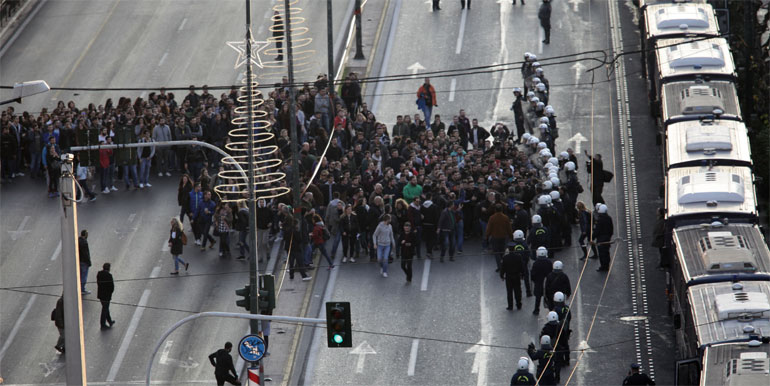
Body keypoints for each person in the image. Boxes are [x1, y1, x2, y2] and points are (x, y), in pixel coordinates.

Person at [486, 204, 512, 272]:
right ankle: (504, 265)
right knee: (503, 252)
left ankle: (499, 266)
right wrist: (511, 236)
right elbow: (509, 228)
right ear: (502, 209)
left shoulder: (492, 218)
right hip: (504, 237)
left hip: (495, 237)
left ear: (495, 210)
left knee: (497, 253)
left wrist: (487, 236)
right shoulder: (505, 217)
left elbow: (489, 228)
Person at [501, 242, 524, 310]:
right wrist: (522, 274)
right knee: (518, 291)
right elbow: (521, 267)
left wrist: (502, 275)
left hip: (509, 277)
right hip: (516, 276)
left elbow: (503, 268)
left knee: (509, 292)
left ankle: (510, 306)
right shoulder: (518, 257)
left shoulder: (505, 257)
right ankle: (518, 304)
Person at [531, 247, 552, 315]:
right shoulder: (549, 262)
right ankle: (551, 309)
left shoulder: (536, 263)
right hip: (547, 282)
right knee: (549, 296)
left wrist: (534, 280)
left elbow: (533, 274)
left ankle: (536, 309)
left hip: (538, 282)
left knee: (538, 297)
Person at [593, 204, 614, 272]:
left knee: (602, 254)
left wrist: (592, 237)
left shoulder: (600, 219)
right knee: (606, 252)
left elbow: (597, 230)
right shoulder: (609, 218)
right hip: (607, 238)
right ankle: (607, 265)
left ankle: (603, 266)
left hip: (601, 239)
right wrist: (609, 236)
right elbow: (611, 229)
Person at [97, 263, 115, 329]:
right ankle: (102, 324)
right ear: (109, 268)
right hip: (106, 296)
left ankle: (110, 321)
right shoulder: (109, 276)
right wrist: (110, 293)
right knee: (105, 309)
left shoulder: (99, 274)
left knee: (105, 308)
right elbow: (111, 287)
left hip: (100, 295)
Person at [79, 230, 92, 295]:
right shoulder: (84, 242)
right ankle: (82, 289)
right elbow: (86, 254)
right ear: (85, 234)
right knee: (84, 276)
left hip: (79, 261)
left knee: (79, 275)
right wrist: (89, 262)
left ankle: (78, 288)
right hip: (84, 262)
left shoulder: (78, 240)